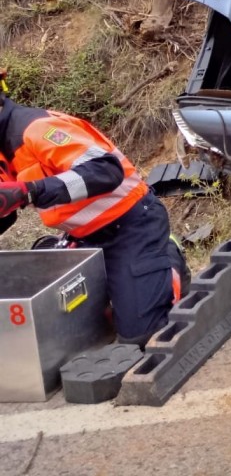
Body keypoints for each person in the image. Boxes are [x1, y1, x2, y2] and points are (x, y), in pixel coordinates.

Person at [0, 76, 186, 346]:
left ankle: (169, 255)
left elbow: (106, 170)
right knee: (57, 320)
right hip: (83, 237)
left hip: (132, 225)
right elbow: (8, 206)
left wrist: (29, 191)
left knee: (140, 335)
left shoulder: (38, 129)